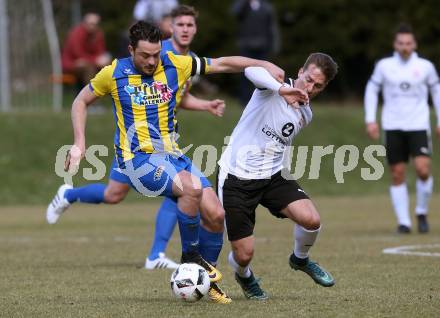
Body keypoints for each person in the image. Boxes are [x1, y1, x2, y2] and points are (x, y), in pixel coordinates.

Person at [47, 21, 284, 303]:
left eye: (155, 54)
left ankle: (206, 281)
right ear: (131, 49)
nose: (151, 61)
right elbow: (80, 102)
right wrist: (79, 142)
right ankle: (190, 258)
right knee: (191, 189)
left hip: (173, 156)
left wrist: (263, 63)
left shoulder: (174, 63)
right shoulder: (113, 72)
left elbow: (222, 64)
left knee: (216, 215)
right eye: (144, 55)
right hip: (138, 160)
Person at [48, 5, 225, 272]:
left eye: (191, 25)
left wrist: (204, 105)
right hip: (132, 146)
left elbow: (178, 99)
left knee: (174, 190)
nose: (185, 30)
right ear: (170, 28)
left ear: (196, 28)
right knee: (117, 194)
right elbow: (85, 98)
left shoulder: (185, 62)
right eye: (180, 25)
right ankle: (70, 194)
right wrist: (79, 142)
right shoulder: (158, 53)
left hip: (163, 144)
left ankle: (157, 254)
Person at [217, 53, 338, 300]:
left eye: (318, 86)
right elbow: (252, 70)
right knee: (243, 255)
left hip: (272, 176)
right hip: (236, 177)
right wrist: (282, 89)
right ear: (300, 71)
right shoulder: (272, 86)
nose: (311, 88)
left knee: (311, 220)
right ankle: (244, 275)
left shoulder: (306, 114)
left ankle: (300, 259)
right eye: (309, 79)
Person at [364, 24, 440, 234]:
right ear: (395, 44)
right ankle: (404, 222)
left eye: (408, 43)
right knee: (397, 173)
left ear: (414, 44)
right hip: (392, 125)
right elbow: (372, 90)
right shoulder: (384, 66)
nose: (404, 47)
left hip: (418, 124)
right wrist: (371, 120)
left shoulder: (425, 66)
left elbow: (437, 91)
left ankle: (421, 211)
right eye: (400, 43)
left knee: (423, 170)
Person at [230, 0, 280, 107]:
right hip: (246, 45)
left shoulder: (267, 7)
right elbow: (235, 12)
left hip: (262, 46)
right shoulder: (242, 5)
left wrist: (274, 46)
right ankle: (245, 100)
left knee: (263, 75)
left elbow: (272, 27)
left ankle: (261, 99)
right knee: (245, 74)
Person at [61, 13, 111, 88]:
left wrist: (102, 60)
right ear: (84, 23)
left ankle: (108, 94)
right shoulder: (76, 33)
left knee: (108, 66)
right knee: (89, 68)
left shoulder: (98, 34)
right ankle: (90, 96)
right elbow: (78, 53)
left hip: (89, 63)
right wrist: (96, 60)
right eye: (91, 24)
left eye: (95, 24)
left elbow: (100, 51)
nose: (93, 26)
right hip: (71, 63)